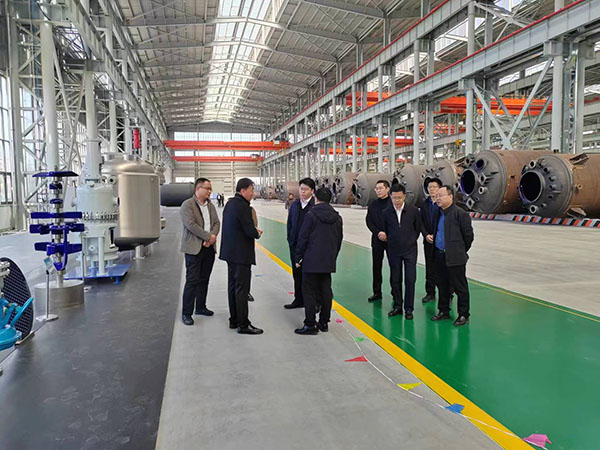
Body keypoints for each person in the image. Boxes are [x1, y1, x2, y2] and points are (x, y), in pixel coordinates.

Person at [294, 188, 343, 335]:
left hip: (311, 260)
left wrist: (298, 257)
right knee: (326, 291)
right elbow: (339, 240)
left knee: (309, 292)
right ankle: (324, 322)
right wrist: (332, 257)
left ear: (316, 199)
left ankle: (310, 324)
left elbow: (303, 238)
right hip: (327, 260)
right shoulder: (337, 217)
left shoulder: (311, 215)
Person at [220, 178, 264, 335]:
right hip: (241, 254)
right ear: (243, 190)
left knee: (233, 286)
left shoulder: (230, 204)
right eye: (251, 190)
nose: (253, 193)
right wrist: (257, 233)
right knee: (242, 289)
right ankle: (243, 324)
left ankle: (234, 319)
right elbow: (249, 230)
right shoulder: (243, 207)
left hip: (230, 253)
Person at [430, 185, 474, 326]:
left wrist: (459, 250)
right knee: (442, 285)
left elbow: (468, 236)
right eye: (437, 196)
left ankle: (463, 314)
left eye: (441, 195)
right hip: (439, 255)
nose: (438, 198)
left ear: (450, 197)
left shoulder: (460, 214)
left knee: (460, 287)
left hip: (455, 257)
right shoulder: (437, 213)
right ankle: (443, 311)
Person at [179, 177, 220, 326]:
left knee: (204, 279)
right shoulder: (187, 205)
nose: (210, 191)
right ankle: (186, 313)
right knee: (192, 280)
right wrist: (208, 237)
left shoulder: (211, 206)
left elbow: (216, 223)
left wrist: (212, 238)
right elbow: (191, 225)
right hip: (194, 249)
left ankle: (201, 307)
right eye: (207, 188)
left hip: (209, 248)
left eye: (210, 189)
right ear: (198, 189)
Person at [380, 184, 421, 320]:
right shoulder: (386, 212)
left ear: (404, 197)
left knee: (410, 279)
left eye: (399, 198)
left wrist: (409, 240)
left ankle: (409, 309)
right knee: (395, 279)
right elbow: (385, 229)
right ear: (390, 197)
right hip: (394, 250)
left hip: (410, 251)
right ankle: (398, 306)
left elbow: (417, 229)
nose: (397, 200)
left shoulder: (413, 211)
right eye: (394, 198)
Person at [284, 178, 316, 309]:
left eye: (305, 189)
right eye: (301, 189)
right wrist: (290, 240)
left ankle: (314, 302)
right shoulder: (295, 205)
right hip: (295, 246)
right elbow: (290, 224)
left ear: (312, 191)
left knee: (310, 276)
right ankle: (299, 299)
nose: (302, 192)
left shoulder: (315, 206)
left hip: (309, 248)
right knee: (297, 274)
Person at [365, 179, 392, 302]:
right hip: (377, 240)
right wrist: (378, 232)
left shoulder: (392, 203)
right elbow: (369, 221)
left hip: (391, 240)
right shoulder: (373, 204)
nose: (378, 191)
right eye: (376, 189)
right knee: (376, 266)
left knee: (394, 267)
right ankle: (377, 292)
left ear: (387, 189)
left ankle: (395, 292)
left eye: (381, 188)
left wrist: (387, 234)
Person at [420, 178, 441, 303]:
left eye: (434, 187)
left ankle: (447, 294)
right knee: (430, 267)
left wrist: (438, 236)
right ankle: (430, 292)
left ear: (439, 188)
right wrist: (426, 235)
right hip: (428, 241)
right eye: (429, 187)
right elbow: (421, 222)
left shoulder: (442, 203)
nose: (431, 189)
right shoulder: (425, 204)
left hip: (440, 242)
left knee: (442, 268)